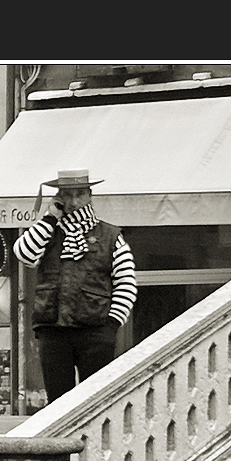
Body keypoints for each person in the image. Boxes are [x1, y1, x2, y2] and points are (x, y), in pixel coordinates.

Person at [13, 169, 137, 404]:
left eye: (80, 194)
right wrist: (50, 217)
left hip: (95, 330)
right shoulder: (48, 233)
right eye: (67, 195)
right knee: (58, 403)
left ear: (90, 196)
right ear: (58, 197)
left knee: (96, 402)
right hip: (53, 330)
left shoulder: (110, 235)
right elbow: (24, 253)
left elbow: (126, 282)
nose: (74, 201)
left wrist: (110, 326)